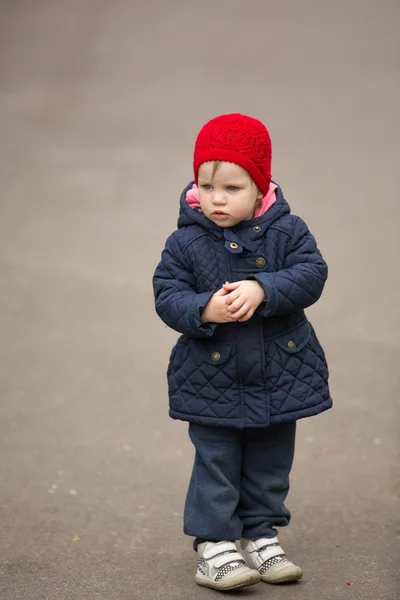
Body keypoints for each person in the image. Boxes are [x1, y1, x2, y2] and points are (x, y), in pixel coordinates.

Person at [153, 113, 332, 591]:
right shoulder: (184, 241)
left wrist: (264, 288)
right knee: (216, 457)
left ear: (260, 187)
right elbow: (167, 294)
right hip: (212, 376)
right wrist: (203, 309)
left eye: (232, 188)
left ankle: (260, 533)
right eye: (206, 185)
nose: (216, 198)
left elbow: (311, 274)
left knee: (271, 458)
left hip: (280, 369)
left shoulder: (289, 231)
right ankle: (214, 545)